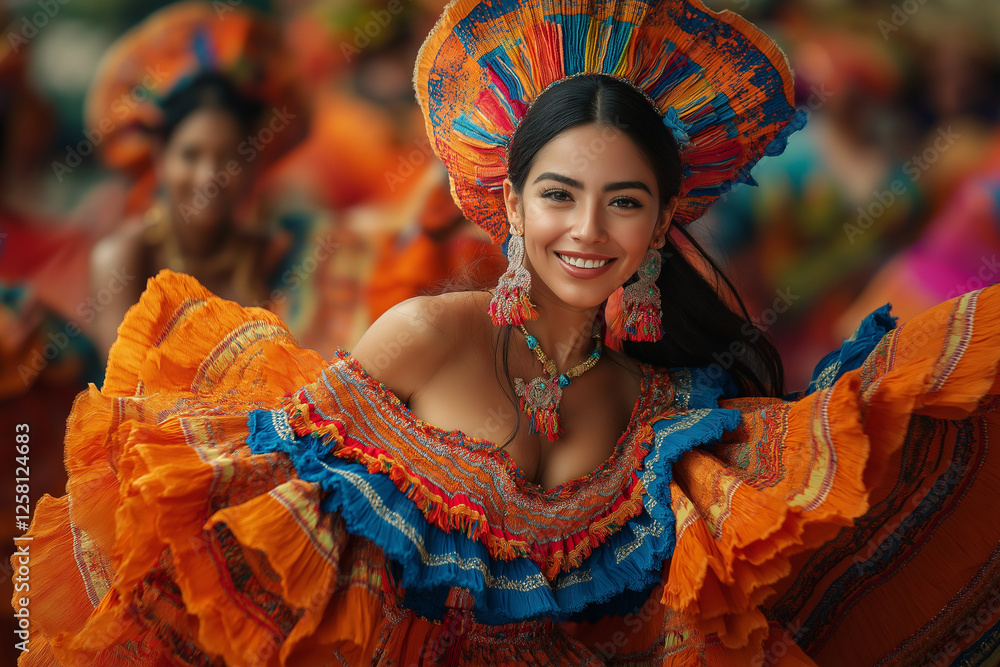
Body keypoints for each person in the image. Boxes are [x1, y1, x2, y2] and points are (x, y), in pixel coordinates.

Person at [15, 0, 1000, 665]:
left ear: (660, 225)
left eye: (622, 202)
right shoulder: (424, 337)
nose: (585, 230)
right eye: (559, 195)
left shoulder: (680, 420)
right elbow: (234, 573)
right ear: (511, 204)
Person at [83, 2, 308, 362]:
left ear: (252, 163)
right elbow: (122, 395)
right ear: (159, 156)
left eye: (230, 158)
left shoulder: (276, 253)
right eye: (190, 155)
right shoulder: (124, 258)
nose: (209, 177)